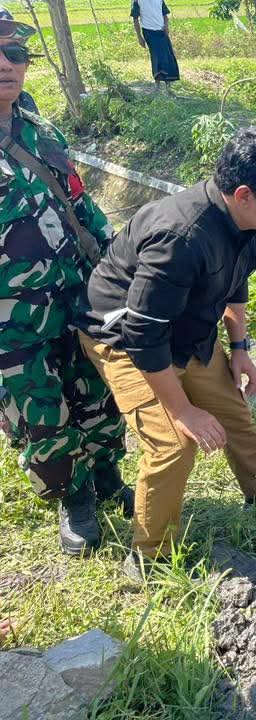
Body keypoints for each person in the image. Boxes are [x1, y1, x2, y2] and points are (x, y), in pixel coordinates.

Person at [76, 127, 256, 579]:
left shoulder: (248, 219)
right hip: (124, 338)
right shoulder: (181, 236)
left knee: (233, 407)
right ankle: (150, 556)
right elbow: (143, 333)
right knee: (174, 444)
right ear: (244, 194)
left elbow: (238, 276)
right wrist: (183, 409)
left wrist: (240, 346)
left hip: (188, 327)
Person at [0, 7, 131, 557]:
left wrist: (113, 261)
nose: (9, 64)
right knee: (41, 410)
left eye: (16, 52)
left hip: (75, 293)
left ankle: (105, 479)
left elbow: (80, 204)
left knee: (97, 391)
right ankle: (72, 497)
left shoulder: (35, 126)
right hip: (12, 318)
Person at [132, 0, 180, 93]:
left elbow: (165, 14)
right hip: (149, 32)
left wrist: (166, 27)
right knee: (157, 57)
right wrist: (139, 37)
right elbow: (135, 19)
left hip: (161, 31)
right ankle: (157, 86)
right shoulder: (137, 1)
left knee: (168, 56)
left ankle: (168, 86)